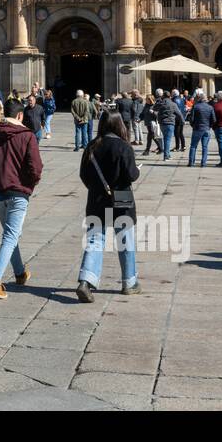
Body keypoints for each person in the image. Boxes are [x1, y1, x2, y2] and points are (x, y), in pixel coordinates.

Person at [0, 97, 43, 299]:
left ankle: (20, 273)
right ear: (20, 115)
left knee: (10, 234)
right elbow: (36, 167)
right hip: (18, 192)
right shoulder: (27, 136)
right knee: (10, 236)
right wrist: (30, 184)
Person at [76, 112, 142, 301]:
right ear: (119, 125)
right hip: (121, 194)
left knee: (95, 239)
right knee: (125, 240)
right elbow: (131, 175)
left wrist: (96, 187)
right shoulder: (123, 146)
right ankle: (129, 282)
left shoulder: (92, 145)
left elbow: (83, 174)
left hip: (97, 196)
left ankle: (86, 280)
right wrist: (136, 171)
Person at [186, 89, 215, 168]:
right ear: (205, 99)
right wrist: (209, 126)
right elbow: (214, 119)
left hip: (197, 129)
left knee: (193, 146)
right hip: (206, 129)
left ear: (199, 99)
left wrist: (193, 125)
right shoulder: (210, 107)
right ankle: (203, 163)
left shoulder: (195, 106)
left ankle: (191, 162)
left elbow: (191, 119)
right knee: (205, 147)